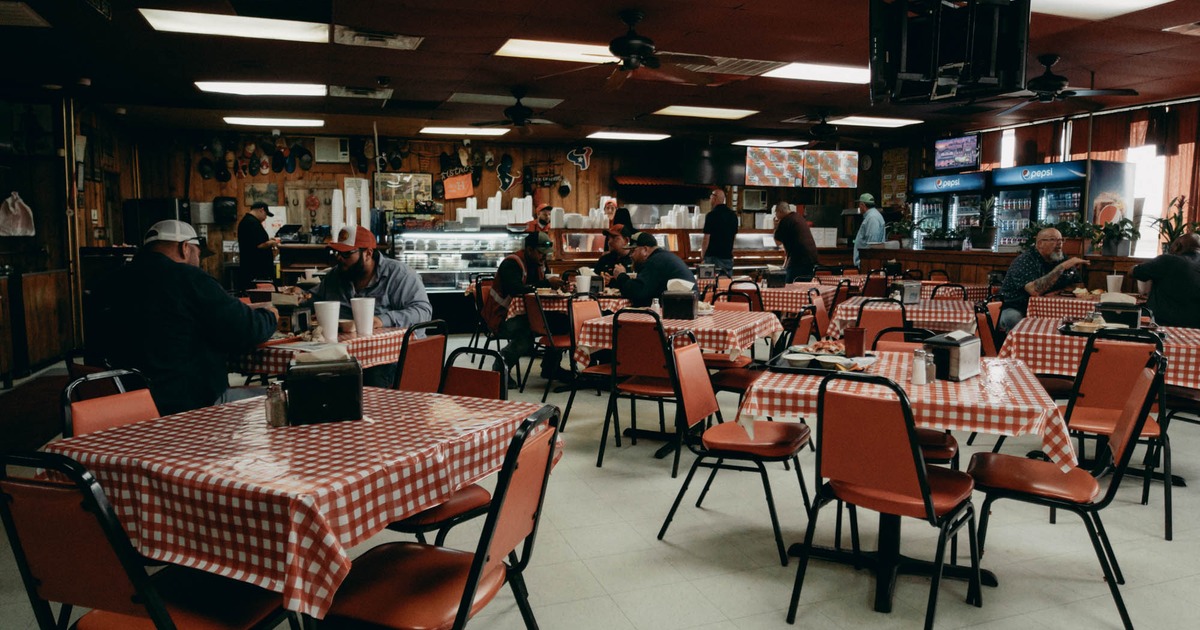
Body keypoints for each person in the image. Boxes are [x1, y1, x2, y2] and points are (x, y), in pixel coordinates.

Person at [95, 220, 278, 415]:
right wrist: (270, 316)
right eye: (199, 253)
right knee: (285, 395)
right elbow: (247, 329)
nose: (200, 261)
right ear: (185, 248)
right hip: (189, 406)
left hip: (123, 407)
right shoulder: (189, 278)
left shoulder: (109, 282)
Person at [309, 225, 433, 387]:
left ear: (368, 253)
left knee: (371, 375)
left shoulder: (399, 275)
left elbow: (423, 311)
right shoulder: (335, 276)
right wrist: (297, 297)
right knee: (307, 376)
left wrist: (381, 320)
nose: (339, 258)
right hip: (342, 357)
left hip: (391, 358)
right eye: (337, 252)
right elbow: (313, 300)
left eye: (346, 254)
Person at [493, 231, 567, 385]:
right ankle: (500, 366)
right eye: (541, 253)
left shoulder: (539, 264)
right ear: (529, 249)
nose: (544, 257)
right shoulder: (511, 263)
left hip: (528, 314)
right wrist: (547, 284)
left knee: (563, 323)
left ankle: (550, 367)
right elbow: (515, 289)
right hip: (501, 316)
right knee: (527, 331)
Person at [997, 227, 1088, 331]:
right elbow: (1034, 290)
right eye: (1053, 240)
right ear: (1040, 243)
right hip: (1015, 307)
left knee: (1076, 321)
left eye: (1061, 240)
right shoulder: (1024, 261)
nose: (1059, 243)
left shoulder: (1061, 258)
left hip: (1047, 309)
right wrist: (1061, 268)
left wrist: (1057, 292)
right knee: (1014, 318)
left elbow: (1079, 286)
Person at [608, 232, 697, 307]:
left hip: (680, 310)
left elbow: (638, 292)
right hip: (686, 305)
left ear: (645, 250)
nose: (630, 255)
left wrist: (621, 276)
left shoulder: (654, 262)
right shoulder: (661, 257)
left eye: (633, 251)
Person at [1131, 232, 1200, 328]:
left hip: (1162, 326)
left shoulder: (1168, 260)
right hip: (1196, 330)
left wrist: (1137, 266)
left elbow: (1134, 272)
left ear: (1177, 246)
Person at [236, 201, 279, 290]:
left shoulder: (248, 221)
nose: (265, 218)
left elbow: (254, 241)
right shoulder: (252, 223)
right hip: (257, 269)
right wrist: (272, 242)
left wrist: (269, 241)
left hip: (252, 268)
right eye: (266, 214)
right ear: (261, 210)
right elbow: (259, 245)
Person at [773, 202, 819, 282]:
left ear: (779, 211)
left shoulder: (785, 220)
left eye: (776, 213)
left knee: (788, 285)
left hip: (799, 260)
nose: (775, 215)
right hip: (811, 258)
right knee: (803, 286)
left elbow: (777, 242)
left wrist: (775, 226)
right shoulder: (798, 217)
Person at [703, 188, 739, 277]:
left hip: (712, 257)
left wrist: (703, 256)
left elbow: (706, 239)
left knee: (710, 286)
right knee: (726, 285)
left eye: (711, 197)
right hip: (727, 257)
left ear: (714, 198)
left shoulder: (711, 216)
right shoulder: (733, 216)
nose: (710, 199)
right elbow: (734, 237)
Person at [852, 193, 885, 267]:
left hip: (867, 263)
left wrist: (864, 262)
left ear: (863, 205)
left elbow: (872, 244)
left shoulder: (872, 218)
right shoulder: (872, 216)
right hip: (866, 262)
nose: (859, 207)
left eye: (859, 205)